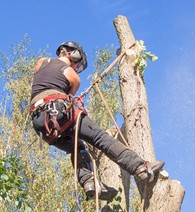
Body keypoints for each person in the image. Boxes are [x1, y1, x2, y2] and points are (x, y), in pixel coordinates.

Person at [30, 41, 164, 201]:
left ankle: (89, 183)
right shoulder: (72, 76)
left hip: (40, 124)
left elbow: (41, 78)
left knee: (77, 149)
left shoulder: (41, 62)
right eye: (78, 64)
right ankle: (140, 167)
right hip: (58, 111)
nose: (77, 67)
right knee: (99, 137)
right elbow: (69, 94)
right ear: (74, 55)